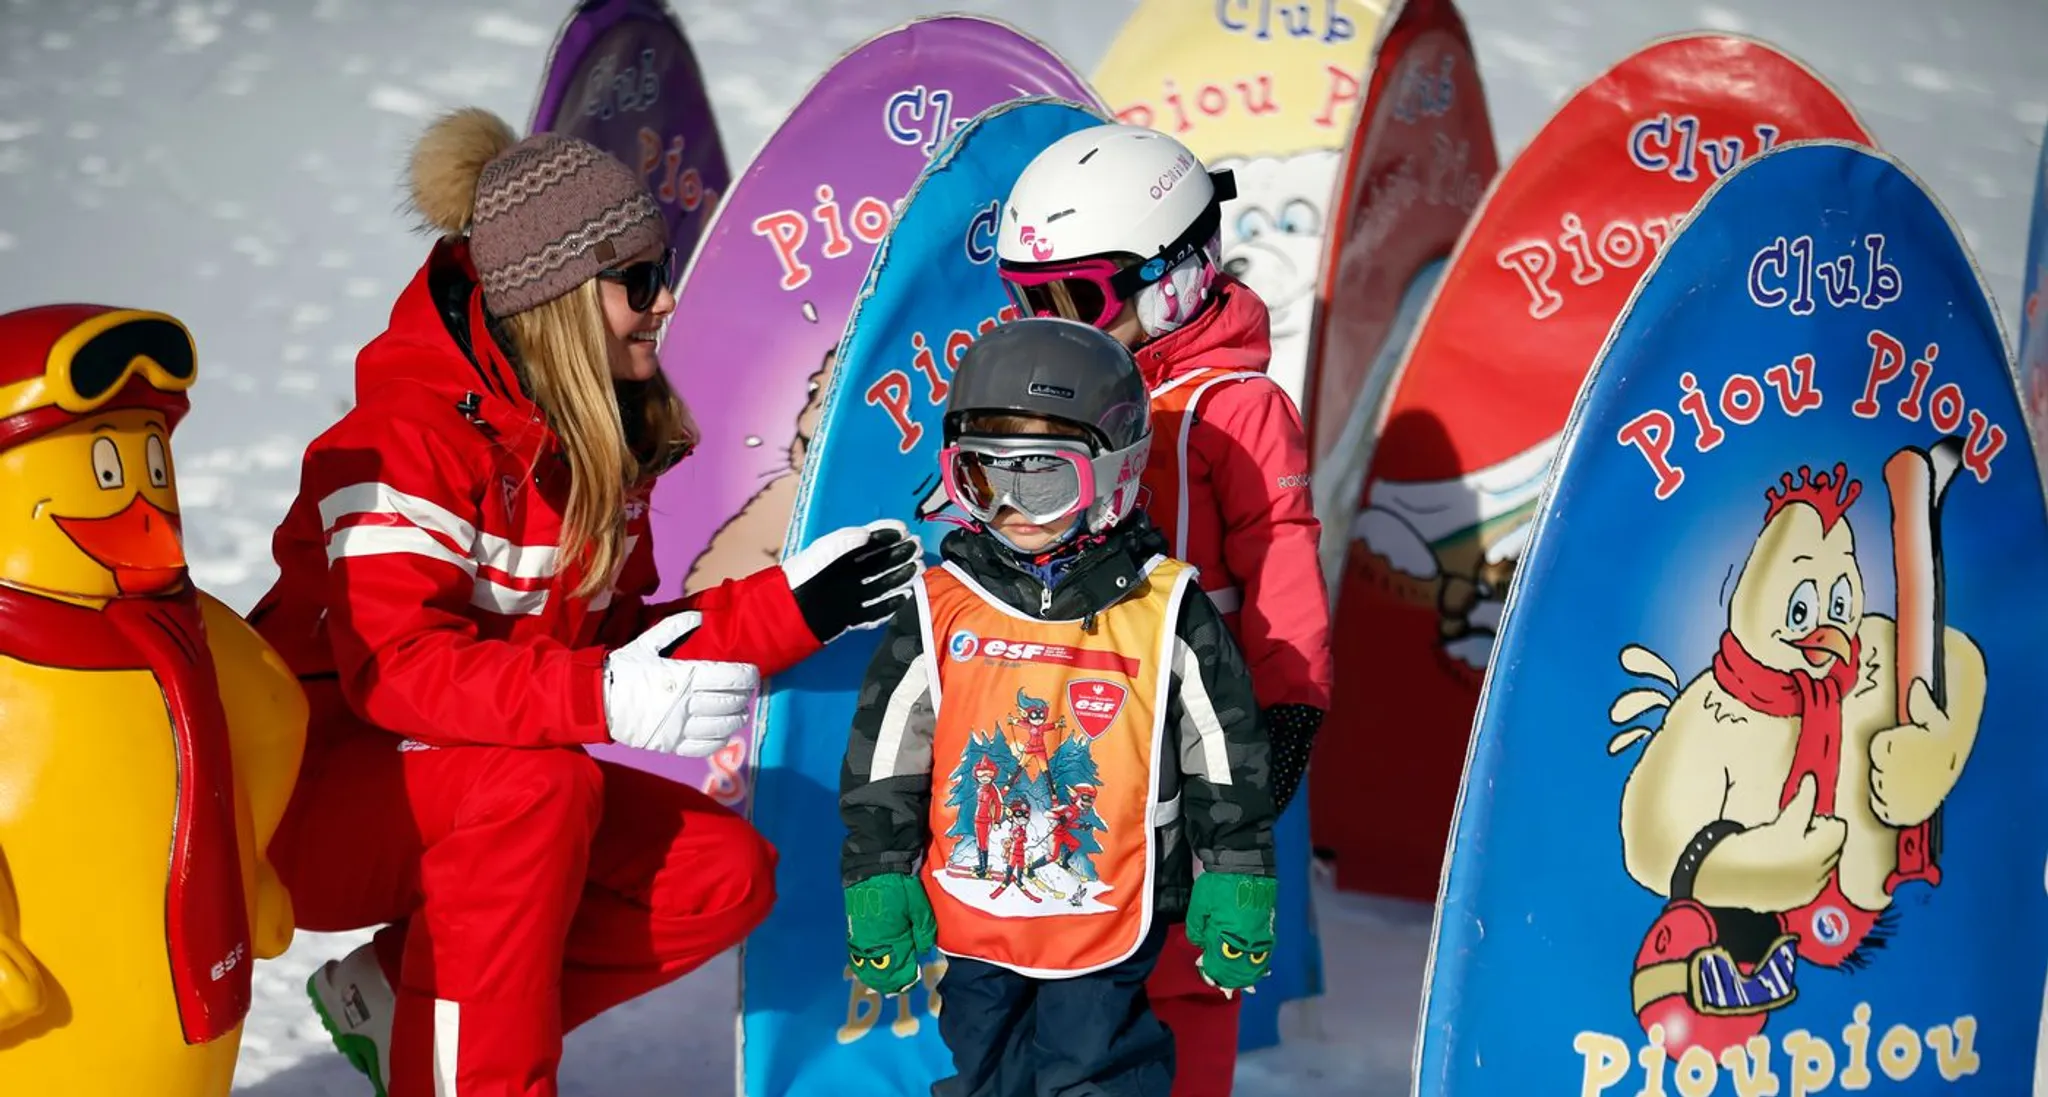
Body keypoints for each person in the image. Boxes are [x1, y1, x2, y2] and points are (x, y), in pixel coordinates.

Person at [245, 107, 921, 1097]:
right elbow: (396, 669)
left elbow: (615, 646)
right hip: (307, 798)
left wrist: (793, 607)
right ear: (556, 295)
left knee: (716, 873)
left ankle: (401, 1001)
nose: (662, 306)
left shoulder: (587, 434)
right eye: (638, 282)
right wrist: (603, 693)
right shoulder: (404, 439)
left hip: (469, 785)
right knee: (538, 788)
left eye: (664, 277)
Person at [838, 318, 1279, 1097]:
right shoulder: (946, 605)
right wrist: (877, 868)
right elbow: (888, 749)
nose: (1010, 505)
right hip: (977, 915)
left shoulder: (1163, 603)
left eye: (1041, 478)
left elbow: (1221, 743)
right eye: (980, 477)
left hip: (1106, 906)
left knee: (1096, 1071)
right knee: (984, 1073)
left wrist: (1235, 867)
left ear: (1114, 474)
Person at [995, 123, 1335, 1092]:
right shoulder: (1054, 403)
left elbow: (1280, 553)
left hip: (1194, 734)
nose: (1057, 325)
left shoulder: (1231, 407)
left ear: (1174, 276)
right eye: (1030, 303)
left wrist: (1284, 706)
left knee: (1180, 968)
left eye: (1080, 300)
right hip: (1069, 730)